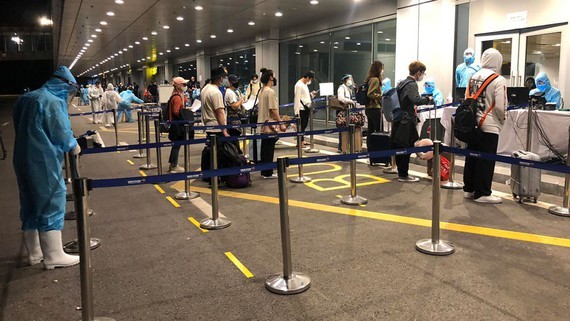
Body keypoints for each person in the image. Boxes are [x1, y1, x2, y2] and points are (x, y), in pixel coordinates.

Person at [13, 66, 81, 270]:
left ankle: (34, 254)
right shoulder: (51, 101)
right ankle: (53, 256)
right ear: (65, 84)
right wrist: (73, 145)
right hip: (43, 158)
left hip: (22, 157)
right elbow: (60, 131)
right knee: (52, 199)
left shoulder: (25, 98)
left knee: (30, 203)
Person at [463, 48, 507, 204]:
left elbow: (467, 98)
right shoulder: (498, 80)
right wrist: (502, 120)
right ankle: (482, 192)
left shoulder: (473, 76)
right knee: (486, 160)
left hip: (472, 124)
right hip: (489, 124)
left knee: (472, 156)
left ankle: (469, 188)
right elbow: (501, 106)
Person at [392, 61, 432, 182]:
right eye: (423, 73)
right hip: (407, 120)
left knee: (401, 147)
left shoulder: (402, 83)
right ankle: (404, 174)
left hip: (399, 119)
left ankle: (401, 172)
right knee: (407, 147)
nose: (422, 76)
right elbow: (416, 99)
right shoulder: (412, 84)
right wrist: (427, 99)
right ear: (418, 72)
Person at [258, 68, 287, 178]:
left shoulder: (262, 90)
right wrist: (281, 123)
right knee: (269, 149)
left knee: (265, 149)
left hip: (263, 124)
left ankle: (264, 171)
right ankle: (268, 172)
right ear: (270, 77)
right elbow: (273, 109)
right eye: (273, 76)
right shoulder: (270, 92)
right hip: (269, 125)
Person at [166, 77, 190, 173]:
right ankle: (174, 165)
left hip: (174, 124)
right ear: (178, 85)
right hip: (177, 125)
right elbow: (176, 112)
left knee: (176, 145)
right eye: (183, 84)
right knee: (177, 145)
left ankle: (173, 164)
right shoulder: (177, 97)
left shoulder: (176, 95)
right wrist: (184, 111)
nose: (185, 86)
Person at [201, 67, 230, 137]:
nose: (225, 79)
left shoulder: (205, 89)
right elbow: (219, 113)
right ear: (220, 78)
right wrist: (224, 130)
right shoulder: (216, 92)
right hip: (216, 127)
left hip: (208, 126)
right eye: (224, 77)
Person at [294, 71, 317, 146]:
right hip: (301, 108)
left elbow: (304, 96)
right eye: (310, 79)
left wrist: (311, 95)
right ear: (307, 77)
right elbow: (297, 98)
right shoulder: (299, 85)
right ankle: (299, 142)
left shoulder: (304, 84)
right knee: (301, 126)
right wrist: (296, 112)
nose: (310, 81)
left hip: (306, 108)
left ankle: (302, 140)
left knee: (304, 125)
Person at [225, 74, 246, 153]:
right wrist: (241, 101)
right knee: (234, 142)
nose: (237, 83)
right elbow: (234, 106)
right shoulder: (230, 93)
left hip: (232, 119)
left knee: (234, 141)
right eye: (235, 81)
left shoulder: (231, 92)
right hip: (233, 120)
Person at [364, 61, 384, 138]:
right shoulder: (375, 79)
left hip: (369, 108)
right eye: (382, 68)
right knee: (378, 130)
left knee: (371, 130)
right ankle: (377, 148)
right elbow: (370, 94)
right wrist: (381, 96)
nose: (382, 71)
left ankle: (371, 148)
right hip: (374, 108)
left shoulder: (369, 79)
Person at [337, 74, 356, 152]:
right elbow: (340, 98)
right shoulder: (341, 88)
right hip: (342, 111)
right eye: (349, 79)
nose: (350, 81)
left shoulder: (348, 88)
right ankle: (341, 146)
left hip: (347, 111)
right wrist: (349, 101)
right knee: (342, 129)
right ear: (345, 80)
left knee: (346, 129)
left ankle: (345, 146)